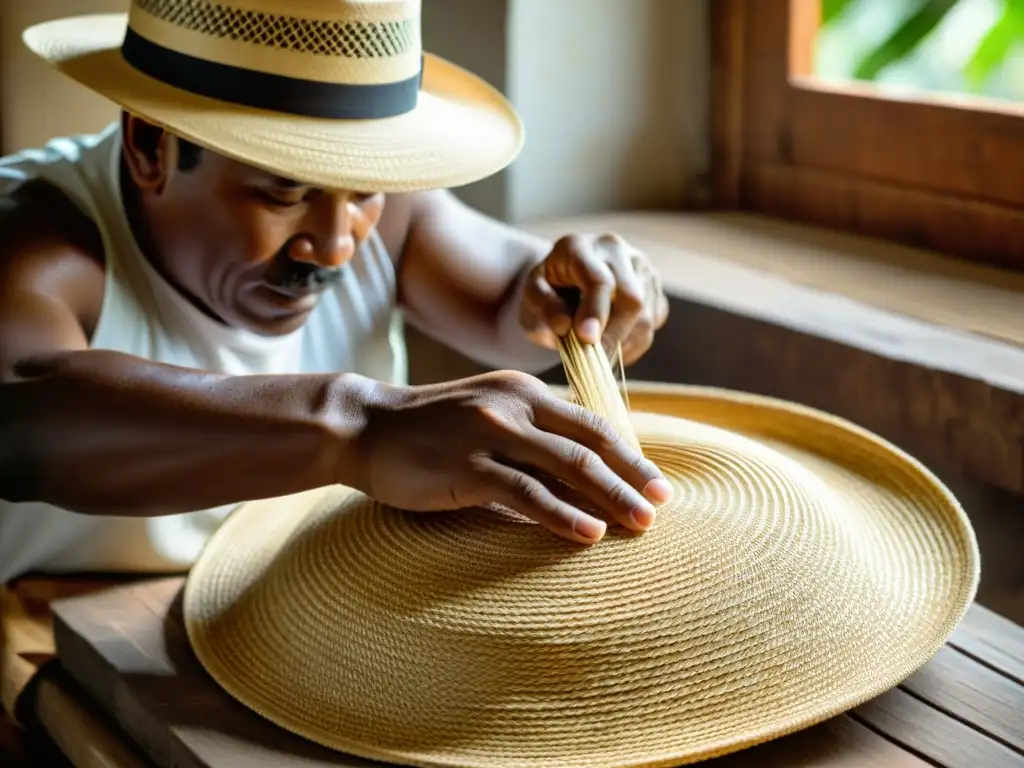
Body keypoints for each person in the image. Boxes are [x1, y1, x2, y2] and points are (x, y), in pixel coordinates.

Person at [0, 0, 672, 584]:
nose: (336, 244)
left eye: (364, 189)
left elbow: (516, 299)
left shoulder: (392, 221)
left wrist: (575, 284)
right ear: (151, 146)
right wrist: (358, 427)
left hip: (286, 606)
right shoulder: (35, 238)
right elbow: (21, 416)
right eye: (284, 193)